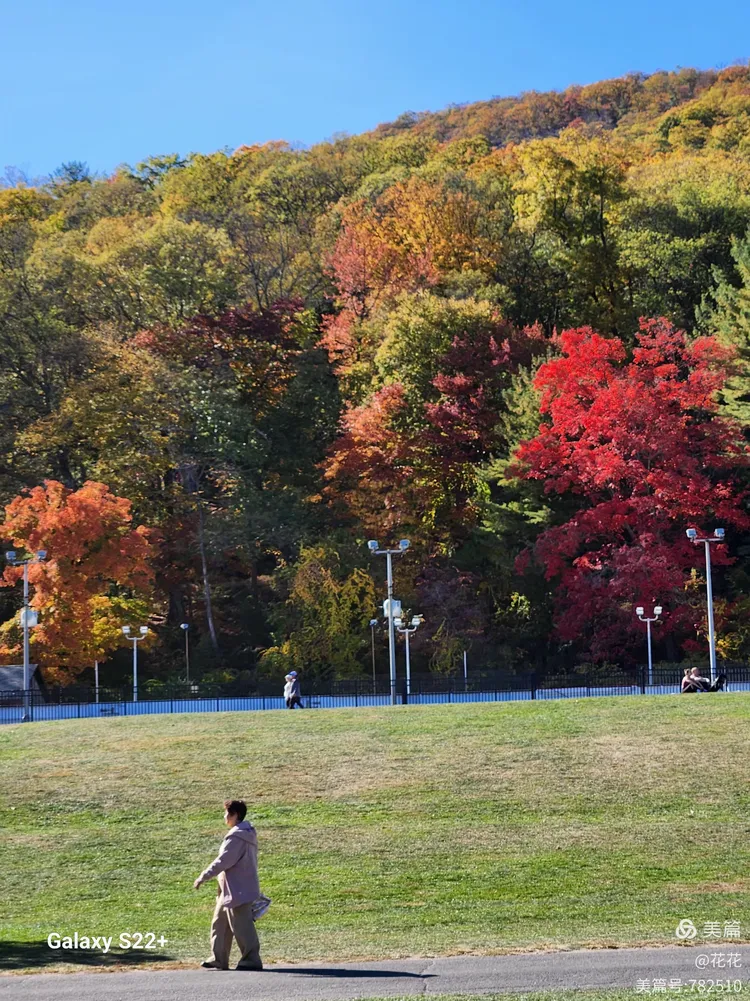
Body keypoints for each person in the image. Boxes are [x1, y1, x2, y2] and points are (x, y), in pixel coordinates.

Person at [194, 799, 264, 971]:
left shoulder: (237, 837)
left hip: (238, 889)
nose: (224, 816)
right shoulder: (243, 833)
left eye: (227, 813)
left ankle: (251, 959)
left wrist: (203, 876)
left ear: (235, 815)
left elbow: (224, 861)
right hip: (230, 889)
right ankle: (219, 958)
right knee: (220, 923)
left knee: (242, 926)